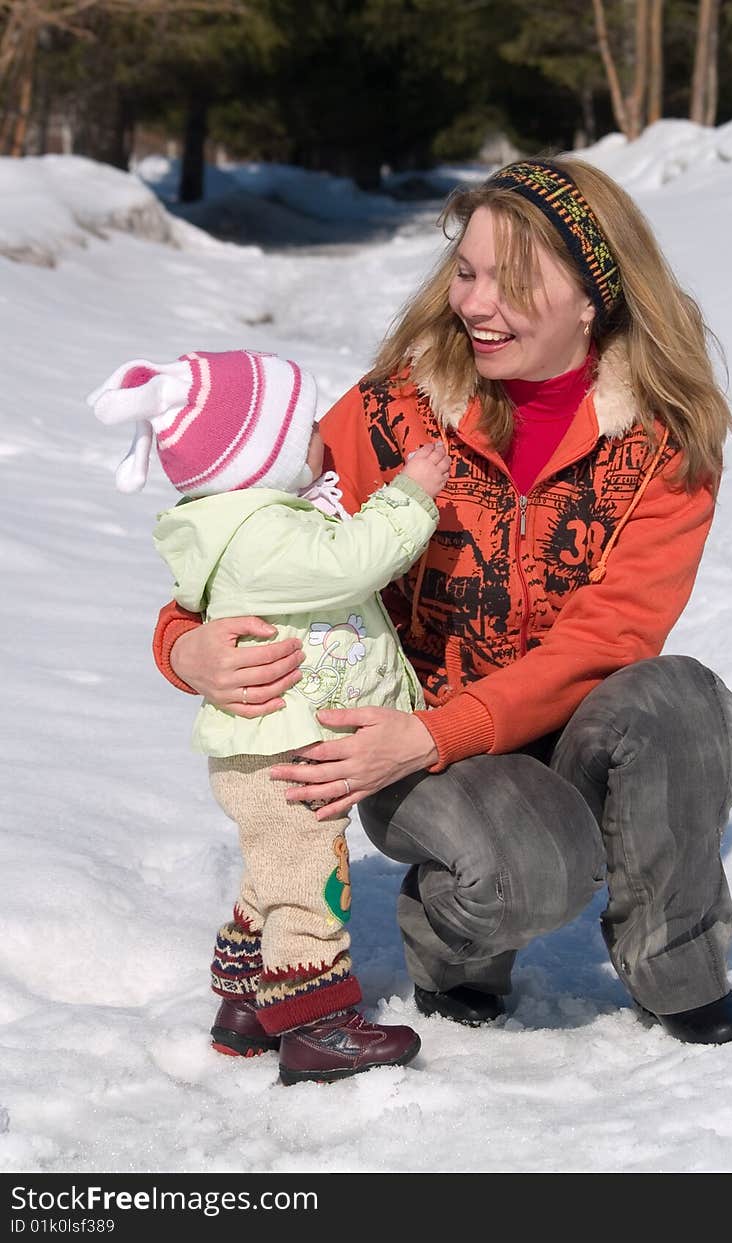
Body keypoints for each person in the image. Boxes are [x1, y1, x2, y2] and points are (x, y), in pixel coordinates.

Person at [153, 156, 732, 1048]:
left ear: (593, 297)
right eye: (465, 273)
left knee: (680, 701)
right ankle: (454, 938)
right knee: (530, 868)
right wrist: (184, 646)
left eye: (509, 283)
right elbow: (247, 540)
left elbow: (609, 635)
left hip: (554, 720)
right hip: (413, 740)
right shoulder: (393, 412)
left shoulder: (664, 441)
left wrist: (451, 727)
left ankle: (677, 966)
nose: (474, 304)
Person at [88, 347, 452, 1083]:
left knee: (273, 873)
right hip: (285, 753)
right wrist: (410, 495)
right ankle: (316, 1025)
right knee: (310, 884)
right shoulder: (261, 533)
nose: (322, 435)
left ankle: (248, 1006)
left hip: (272, 750)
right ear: (263, 460)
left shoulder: (239, 522)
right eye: (304, 429)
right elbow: (351, 560)